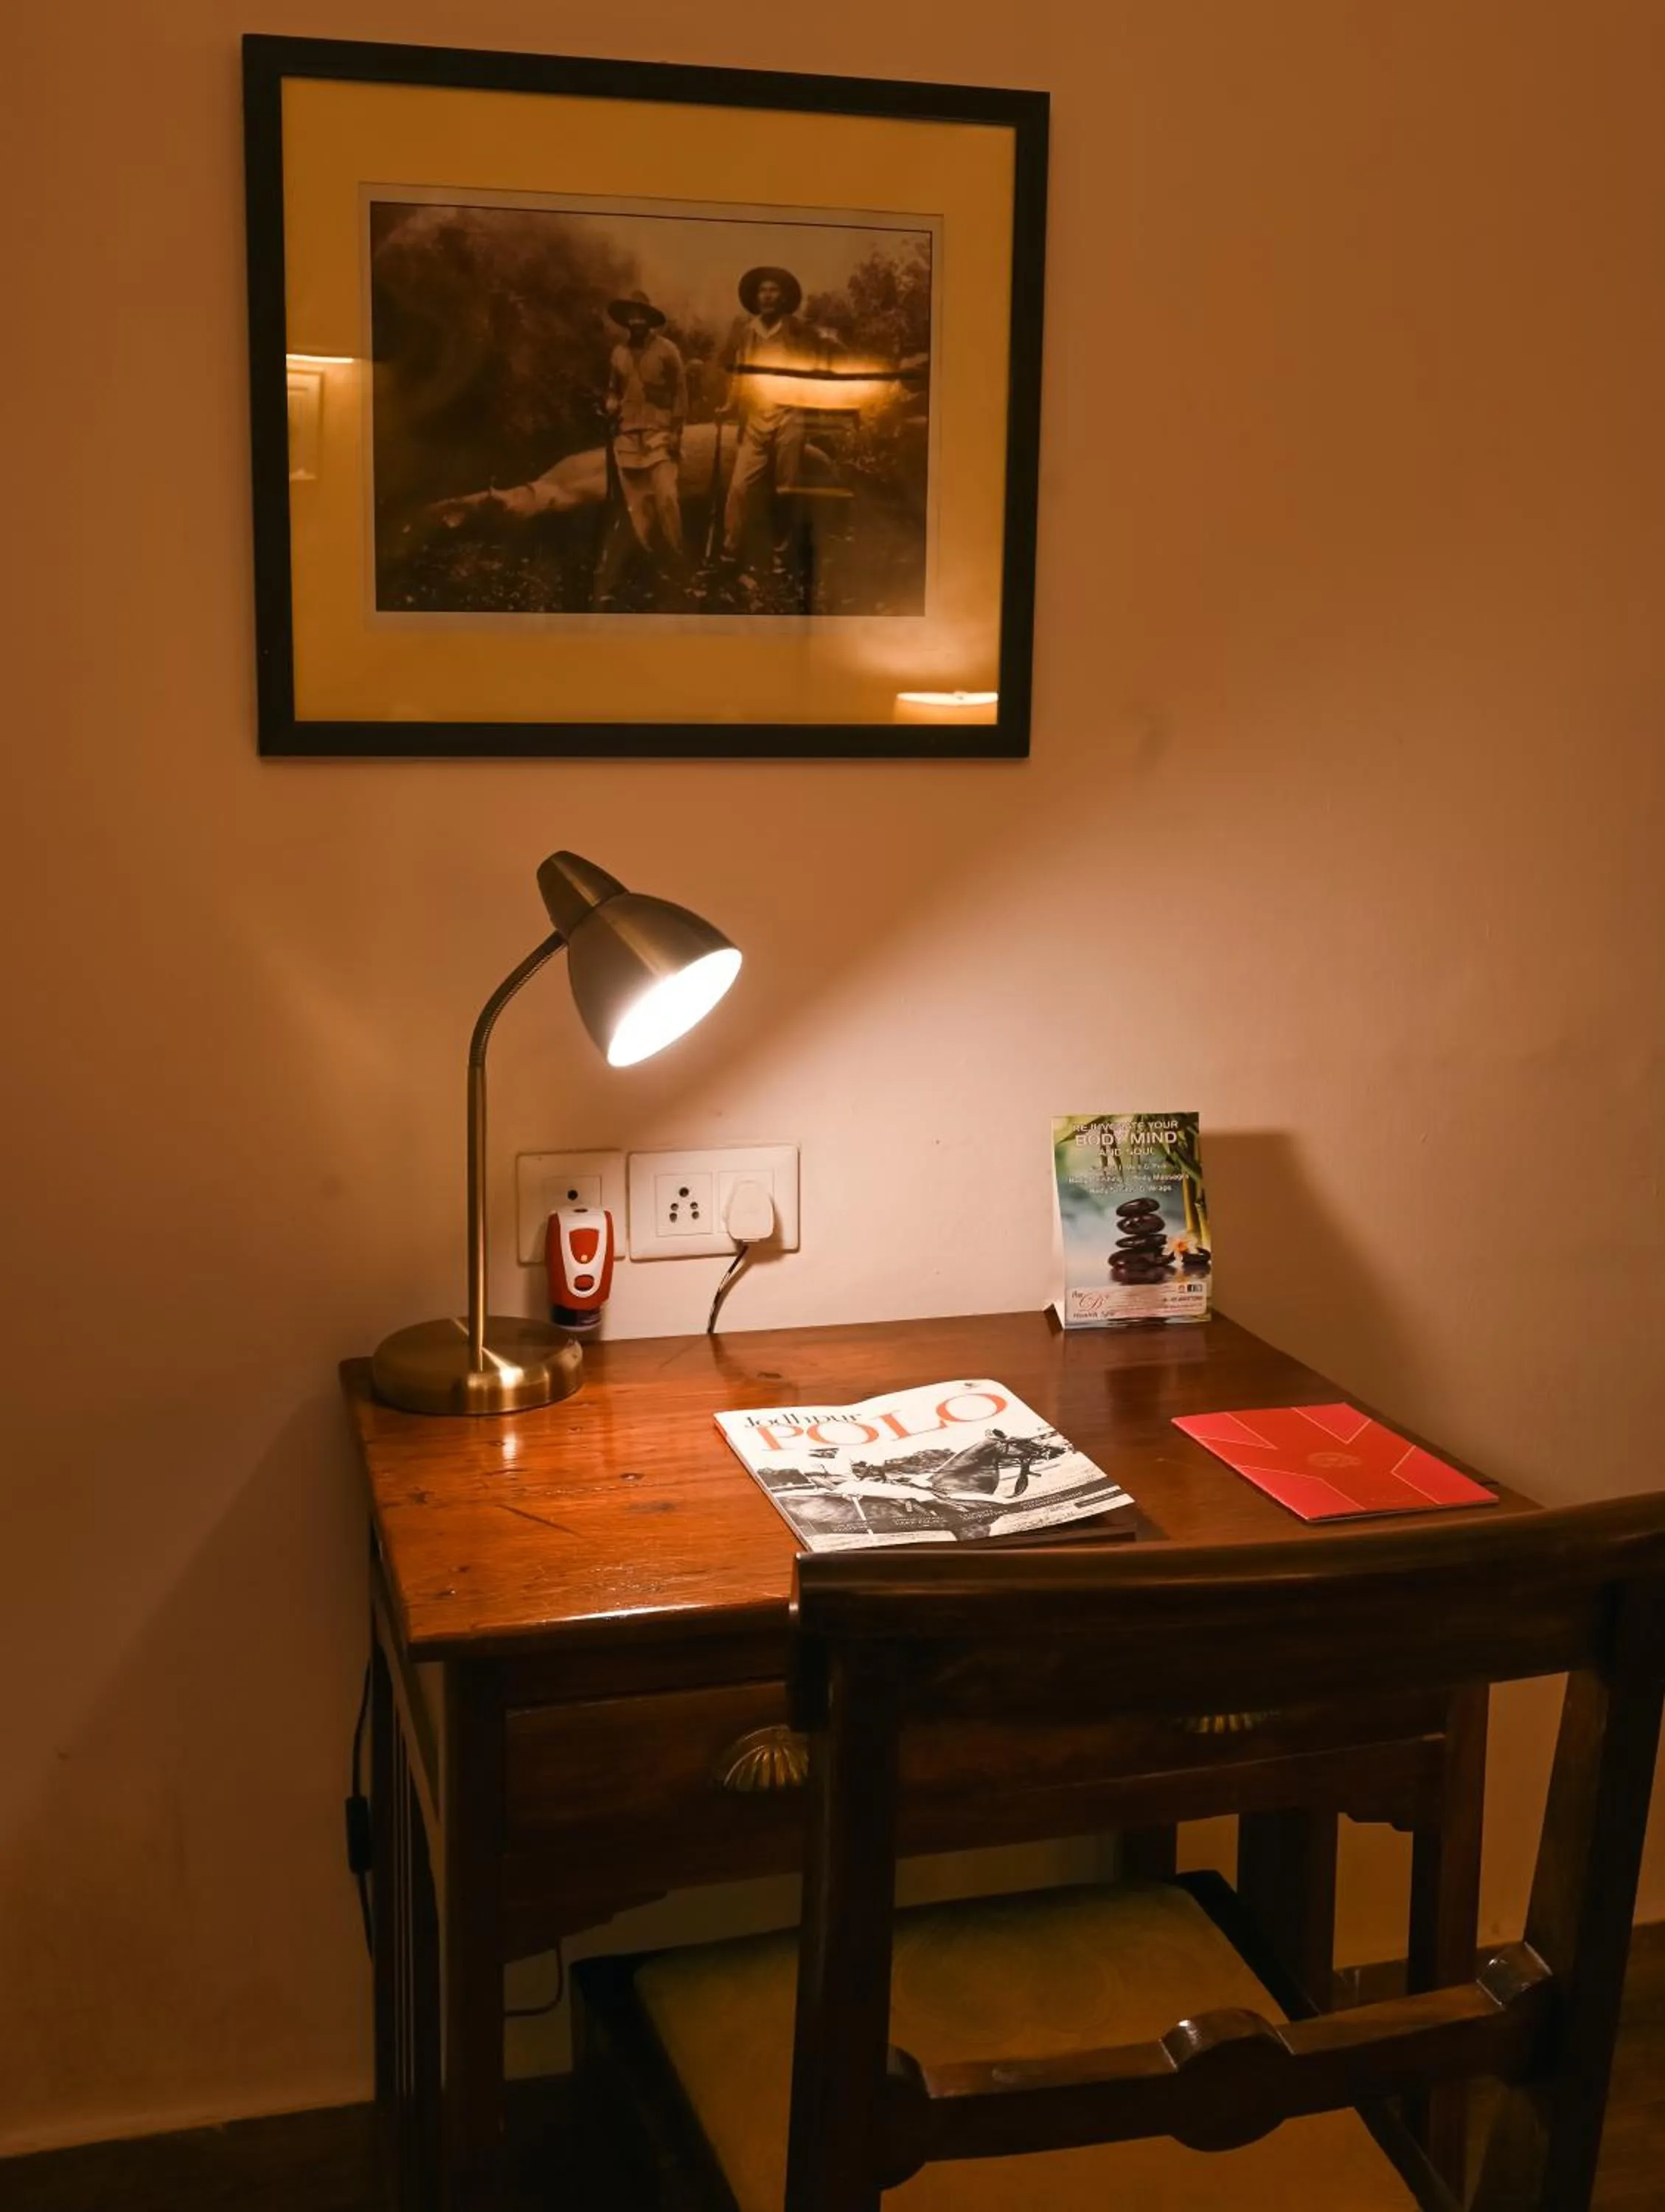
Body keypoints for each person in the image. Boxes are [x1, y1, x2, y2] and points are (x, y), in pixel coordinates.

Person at [717, 265, 824, 577]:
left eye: (774, 290)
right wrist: (729, 405)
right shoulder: (746, 331)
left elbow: (812, 369)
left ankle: (781, 556)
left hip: (789, 415)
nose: (768, 296)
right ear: (755, 297)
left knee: (786, 488)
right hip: (755, 419)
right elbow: (739, 374)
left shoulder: (796, 330)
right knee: (739, 487)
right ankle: (729, 551)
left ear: (783, 297)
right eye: (763, 291)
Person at [595, 290, 687, 605]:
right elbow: (613, 390)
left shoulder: (667, 351)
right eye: (630, 315)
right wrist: (610, 404)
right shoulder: (618, 354)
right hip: (627, 437)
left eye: (641, 315)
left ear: (649, 318)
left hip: (659, 435)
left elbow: (680, 394)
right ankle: (649, 567)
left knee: (667, 499)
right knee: (637, 508)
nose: (636, 320)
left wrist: (675, 432)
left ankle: (678, 561)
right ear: (626, 320)